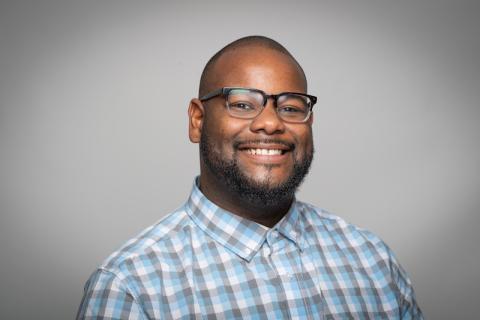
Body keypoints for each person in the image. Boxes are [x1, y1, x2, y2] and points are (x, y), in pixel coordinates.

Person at [77, 36, 423, 319]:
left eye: (290, 107)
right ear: (197, 120)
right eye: (242, 104)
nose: (271, 123)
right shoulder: (132, 288)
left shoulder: (372, 259)